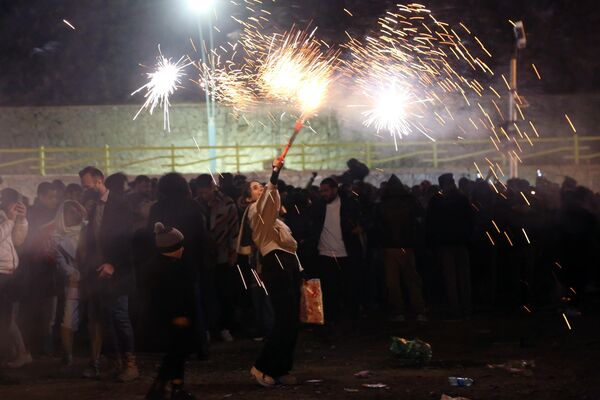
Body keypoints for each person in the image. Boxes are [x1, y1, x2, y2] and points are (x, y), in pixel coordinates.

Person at [246, 158, 302, 388]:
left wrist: (300, 271)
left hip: (287, 265)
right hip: (276, 265)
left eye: (261, 185)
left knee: (292, 323)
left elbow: (273, 202)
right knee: (284, 321)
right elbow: (269, 203)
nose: (260, 187)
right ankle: (262, 366)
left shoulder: (274, 217)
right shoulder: (254, 212)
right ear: (248, 197)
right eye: (254, 187)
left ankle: (282, 368)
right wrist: (274, 175)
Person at [79, 166, 138, 381]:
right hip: (99, 271)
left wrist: (113, 263)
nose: (85, 190)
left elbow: (125, 238)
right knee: (107, 318)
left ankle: (130, 364)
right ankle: (117, 363)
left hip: (118, 271)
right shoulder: (94, 207)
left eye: (87, 185)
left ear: (99, 181)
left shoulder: (120, 203)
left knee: (120, 316)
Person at [147, 173, 209, 359]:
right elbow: (201, 236)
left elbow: (153, 237)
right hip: (190, 262)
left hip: (165, 263)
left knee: (171, 305)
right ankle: (198, 346)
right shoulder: (193, 206)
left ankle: (174, 345)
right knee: (193, 305)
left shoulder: (157, 208)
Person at [145, 223, 196, 400]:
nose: (183, 249)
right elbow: (173, 295)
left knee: (175, 353)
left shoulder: (162, 265)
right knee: (176, 353)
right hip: (173, 319)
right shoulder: (170, 269)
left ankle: (169, 386)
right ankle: (167, 387)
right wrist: (179, 315)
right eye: (180, 245)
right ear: (173, 248)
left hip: (168, 318)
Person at [310, 177, 363, 322]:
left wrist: (360, 227)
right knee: (329, 291)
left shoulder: (348, 204)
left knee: (349, 290)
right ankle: (331, 322)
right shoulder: (318, 205)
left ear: (335, 189)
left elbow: (365, 216)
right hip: (325, 254)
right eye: (321, 191)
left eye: (326, 191)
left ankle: (351, 320)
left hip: (346, 254)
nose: (323, 194)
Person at [376, 175, 427, 322]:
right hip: (407, 247)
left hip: (389, 248)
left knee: (393, 283)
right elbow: (420, 216)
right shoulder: (409, 201)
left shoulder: (383, 203)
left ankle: (399, 312)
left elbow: (377, 225)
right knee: (412, 280)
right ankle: (419, 310)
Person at [195, 174, 239, 342]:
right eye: (200, 193)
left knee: (224, 293)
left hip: (222, 255)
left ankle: (225, 327)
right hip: (203, 257)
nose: (203, 196)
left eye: (205, 192)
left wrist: (233, 252)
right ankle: (207, 328)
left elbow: (234, 229)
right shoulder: (195, 204)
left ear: (212, 188)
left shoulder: (227, 204)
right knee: (206, 293)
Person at [426, 173, 474, 319]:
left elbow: (430, 224)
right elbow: (470, 221)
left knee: (450, 278)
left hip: (445, 244)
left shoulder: (436, 201)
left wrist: (432, 243)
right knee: (464, 277)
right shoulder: (462, 199)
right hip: (460, 243)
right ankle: (467, 308)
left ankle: (455, 308)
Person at [52, 200, 87, 366]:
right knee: (68, 318)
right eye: (71, 212)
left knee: (97, 317)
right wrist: (74, 274)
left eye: (77, 210)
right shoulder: (58, 238)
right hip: (74, 281)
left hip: (94, 278)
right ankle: (68, 354)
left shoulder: (90, 230)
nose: (75, 214)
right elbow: (61, 263)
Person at [0, 189, 29, 367]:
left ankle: (13, 354)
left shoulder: (6, 217)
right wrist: (10, 220)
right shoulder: (5, 218)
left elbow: (18, 241)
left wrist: (22, 220)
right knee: (4, 319)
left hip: (10, 274)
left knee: (7, 318)